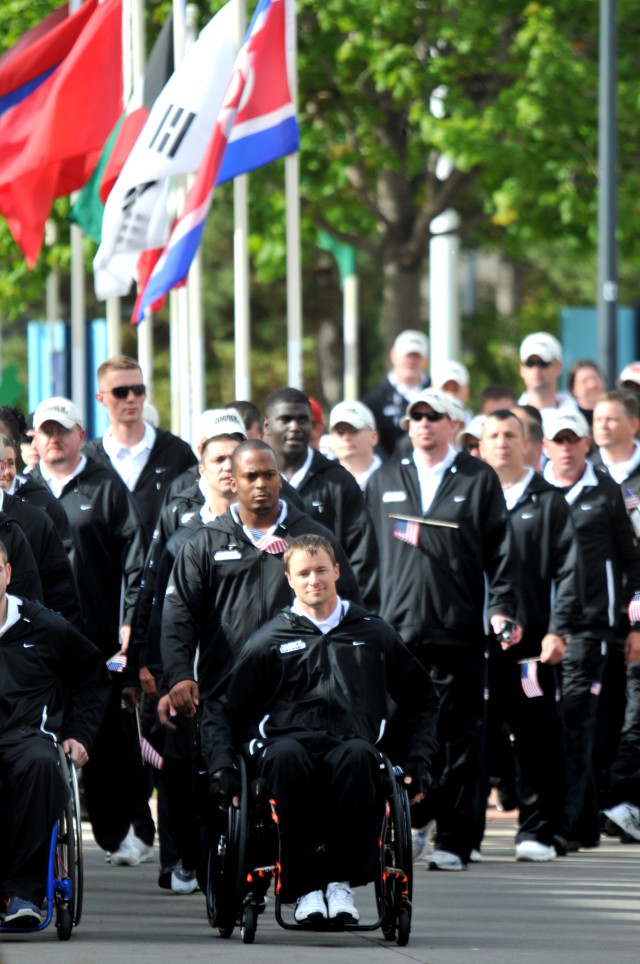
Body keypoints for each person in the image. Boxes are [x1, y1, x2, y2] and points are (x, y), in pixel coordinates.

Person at [201, 534, 439, 923]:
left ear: (337, 572)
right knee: (286, 759)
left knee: (361, 758)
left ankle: (339, 884)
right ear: (290, 580)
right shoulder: (269, 639)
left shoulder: (373, 633)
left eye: (321, 570)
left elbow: (423, 699)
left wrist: (419, 758)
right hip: (287, 744)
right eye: (304, 573)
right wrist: (221, 765)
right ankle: (305, 888)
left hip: (352, 743)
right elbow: (223, 708)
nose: (314, 580)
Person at [366, 389, 520, 871]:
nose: (425, 423)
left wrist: (501, 609)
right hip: (396, 633)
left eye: (435, 416)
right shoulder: (385, 478)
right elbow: (365, 557)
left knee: (459, 738)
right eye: (417, 416)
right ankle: (409, 823)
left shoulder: (478, 478)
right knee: (395, 736)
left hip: (458, 632)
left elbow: (501, 554)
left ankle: (455, 838)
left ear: (454, 425)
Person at [160, 439, 363, 723]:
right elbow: (178, 613)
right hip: (224, 693)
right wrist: (179, 674)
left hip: (303, 698)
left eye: (269, 475)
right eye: (250, 476)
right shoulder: (204, 543)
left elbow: (348, 608)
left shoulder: (314, 538)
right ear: (234, 482)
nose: (261, 484)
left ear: (279, 479)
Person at [29, 396, 149, 868]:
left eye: (63, 430)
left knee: (113, 738)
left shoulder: (105, 486)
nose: (54, 439)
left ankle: (126, 831)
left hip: (98, 640)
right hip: (34, 640)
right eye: (46, 432)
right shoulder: (27, 491)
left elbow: (138, 563)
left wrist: (129, 623)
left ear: (82, 435)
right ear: (34, 441)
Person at [479, 410, 580, 861]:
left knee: (537, 734)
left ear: (528, 444)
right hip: (476, 646)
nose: (502, 442)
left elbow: (569, 572)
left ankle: (538, 831)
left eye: (510, 435)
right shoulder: (468, 497)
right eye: (493, 435)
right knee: (474, 735)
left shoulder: (548, 500)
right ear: (480, 446)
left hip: (530, 650)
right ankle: (462, 835)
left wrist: (558, 630)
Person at [542, 409, 640, 849]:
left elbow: (633, 561)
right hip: (539, 630)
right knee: (547, 725)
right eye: (556, 440)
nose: (564, 447)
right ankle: (576, 822)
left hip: (592, 628)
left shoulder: (607, 492)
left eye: (571, 439)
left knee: (577, 723)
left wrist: (636, 623)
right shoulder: (535, 492)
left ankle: (567, 826)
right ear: (545, 446)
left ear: (586, 444)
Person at [0, 541, 110, 928]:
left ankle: (23, 893)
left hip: (27, 736)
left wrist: (80, 733)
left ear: (8, 574)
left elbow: (93, 677)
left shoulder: (44, 625)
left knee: (43, 765)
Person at [263, 388, 379, 609]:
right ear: (267, 425)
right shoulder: (251, 481)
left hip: (326, 620)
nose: (295, 427)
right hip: (268, 619)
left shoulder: (338, 480)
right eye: (286, 419)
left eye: (302, 420)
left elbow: (362, 559)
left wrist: (353, 620)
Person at [592, 391, 640, 841]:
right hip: (601, 614)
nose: (603, 425)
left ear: (634, 424)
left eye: (613, 418)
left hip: (636, 610)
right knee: (606, 710)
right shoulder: (588, 474)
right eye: (598, 417)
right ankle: (611, 798)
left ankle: (626, 800)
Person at [84, 354, 197, 544]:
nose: (131, 398)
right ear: (100, 398)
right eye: (121, 392)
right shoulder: (87, 459)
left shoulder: (177, 453)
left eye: (138, 390)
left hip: (165, 570)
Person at [363, 329, 430, 459]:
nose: (411, 360)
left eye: (417, 356)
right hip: (388, 473)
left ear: (425, 360)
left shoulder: (436, 394)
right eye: (407, 355)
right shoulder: (374, 400)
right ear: (393, 355)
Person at [518, 332, 578, 435]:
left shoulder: (578, 410)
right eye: (530, 363)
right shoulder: (512, 415)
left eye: (543, 363)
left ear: (559, 367)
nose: (536, 369)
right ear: (521, 369)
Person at [328, 400, 382, 490]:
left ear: (374, 437)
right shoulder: (322, 481)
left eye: (353, 429)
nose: (346, 437)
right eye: (340, 431)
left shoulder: (396, 476)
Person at [567, 360, 605, 429]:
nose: (592, 385)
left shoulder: (614, 416)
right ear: (573, 389)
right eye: (585, 380)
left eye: (595, 378)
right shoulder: (568, 421)